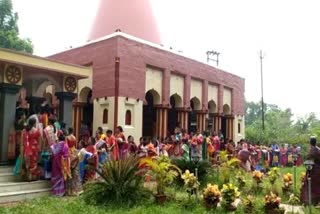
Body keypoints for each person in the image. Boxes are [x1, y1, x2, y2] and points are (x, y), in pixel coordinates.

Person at [301, 137, 320, 204]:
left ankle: (310, 201)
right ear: (315, 142)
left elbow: (309, 163)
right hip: (318, 169)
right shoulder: (318, 149)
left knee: (310, 184)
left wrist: (307, 173)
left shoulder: (312, 150)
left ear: (310, 142)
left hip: (313, 170)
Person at [51, 129, 70, 196]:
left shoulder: (55, 145)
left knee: (56, 176)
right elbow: (67, 155)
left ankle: (56, 192)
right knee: (61, 177)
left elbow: (52, 153)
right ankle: (61, 192)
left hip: (55, 163)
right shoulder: (65, 145)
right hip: (63, 163)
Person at [65, 128, 81, 196]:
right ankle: (74, 190)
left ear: (68, 131)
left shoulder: (67, 137)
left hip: (69, 153)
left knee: (69, 173)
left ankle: (69, 190)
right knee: (75, 174)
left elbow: (66, 146)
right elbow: (74, 146)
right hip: (74, 153)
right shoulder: (74, 137)